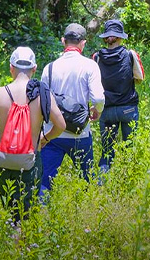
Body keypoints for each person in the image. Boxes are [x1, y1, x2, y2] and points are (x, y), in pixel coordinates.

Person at [0, 46, 65, 224]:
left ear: (11, 67)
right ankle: (22, 245)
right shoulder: (42, 94)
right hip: (30, 159)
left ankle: (10, 241)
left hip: (3, 160)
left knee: (10, 210)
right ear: (34, 68)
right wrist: (44, 139)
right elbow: (61, 125)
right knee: (26, 212)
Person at [39, 23, 104, 198]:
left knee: (45, 181)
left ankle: (42, 216)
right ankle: (86, 215)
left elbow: (43, 102)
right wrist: (96, 110)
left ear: (63, 41)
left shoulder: (49, 68)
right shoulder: (90, 66)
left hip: (53, 133)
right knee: (87, 180)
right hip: (80, 134)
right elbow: (98, 98)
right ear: (83, 43)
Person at [92, 19, 144, 173]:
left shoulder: (96, 57)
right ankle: (127, 180)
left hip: (106, 109)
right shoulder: (130, 54)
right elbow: (140, 78)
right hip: (128, 108)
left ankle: (102, 181)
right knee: (129, 148)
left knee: (107, 151)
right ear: (120, 37)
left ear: (106, 38)